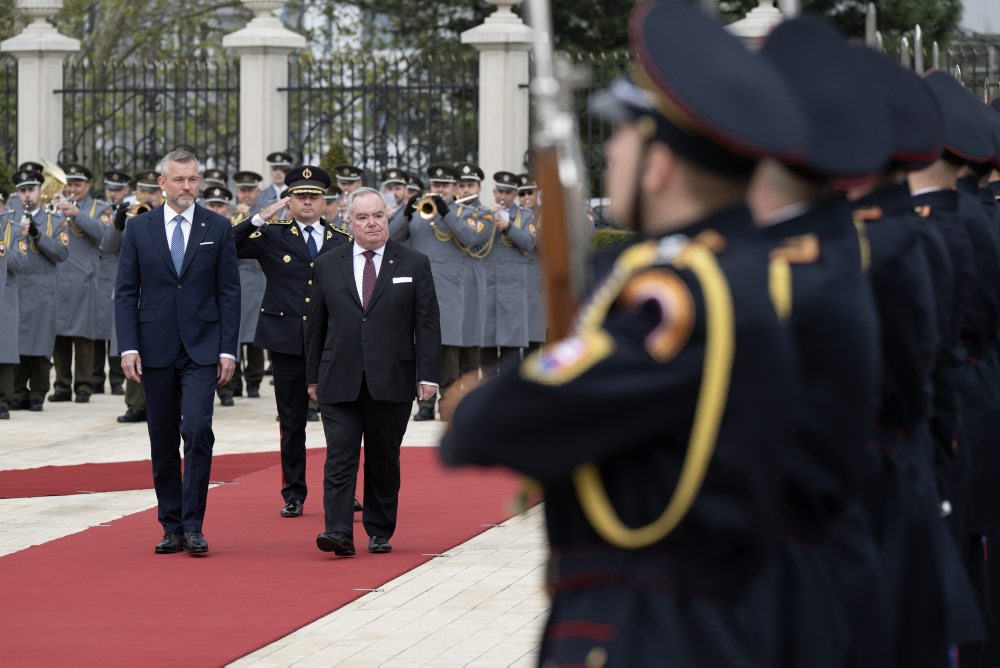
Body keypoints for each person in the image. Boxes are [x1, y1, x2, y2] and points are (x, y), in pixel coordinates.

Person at [442, 2, 806, 663]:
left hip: (656, 625)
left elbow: (483, 426)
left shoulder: (679, 294)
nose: (608, 154)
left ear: (659, 166)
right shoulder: (744, 266)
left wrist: (484, 391)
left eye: (620, 139)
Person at [114, 150, 240, 555]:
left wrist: (228, 350)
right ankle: (171, 525)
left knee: (198, 429)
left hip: (203, 348)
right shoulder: (139, 228)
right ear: (162, 182)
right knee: (162, 437)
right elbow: (125, 291)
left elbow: (229, 293)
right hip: (155, 346)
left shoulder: (218, 227)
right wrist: (128, 346)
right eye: (180, 180)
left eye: (193, 179)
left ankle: (194, 523)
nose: (187, 187)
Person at [307, 186, 441, 556]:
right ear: (348, 223)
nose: (371, 224)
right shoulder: (327, 263)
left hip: (392, 379)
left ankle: (379, 529)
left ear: (387, 218)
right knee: (340, 457)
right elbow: (315, 326)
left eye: (378, 216)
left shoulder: (413, 263)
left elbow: (427, 323)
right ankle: (337, 532)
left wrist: (428, 375)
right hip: (339, 377)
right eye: (362, 217)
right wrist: (312, 377)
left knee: (383, 458)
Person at [233, 165, 353, 518]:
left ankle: (342, 488)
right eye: (300, 196)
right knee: (292, 420)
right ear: (289, 200)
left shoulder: (341, 239)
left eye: (314, 197)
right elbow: (228, 245)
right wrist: (258, 219)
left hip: (331, 342)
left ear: (325, 202)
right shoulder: (273, 235)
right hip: (286, 339)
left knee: (340, 420)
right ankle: (294, 492)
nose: (307, 203)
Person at [390, 164, 492, 421]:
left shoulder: (464, 213)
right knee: (421, 347)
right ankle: (424, 404)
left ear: (456, 188)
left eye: (445, 186)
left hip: (450, 289)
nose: (440, 190)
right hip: (419, 288)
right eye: (436, 185)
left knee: (447, 349)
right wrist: (406, 212)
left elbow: (470, 238)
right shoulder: (417, 213)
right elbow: (390, 237)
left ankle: (448, 402)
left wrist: (446, 212)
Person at [50, 163, 110, 404]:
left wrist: (77, 214)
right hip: (59, 277)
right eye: (70, 185)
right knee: (59, 334)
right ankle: (61, 385)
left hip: (84, 278)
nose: (73, 189)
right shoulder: (56, 206)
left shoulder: (99, 207)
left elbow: (104, 234)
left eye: (78, 185)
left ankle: (84, 385)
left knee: (84, 334)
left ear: (88, 186)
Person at [12, 168, 69, 411]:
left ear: (39, 191)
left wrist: (37, 235)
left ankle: (38, 393)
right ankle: (16, 392)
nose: (27, 195)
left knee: (40, 346)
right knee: (17, 345)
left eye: (31, 190)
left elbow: (61, 253)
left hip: (43, 291)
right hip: (18, 290)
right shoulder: (11, 220)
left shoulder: (54, 221)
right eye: (22, 191)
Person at [480, 170, 530, 376]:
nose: (503, 197)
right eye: (500, 191)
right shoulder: (483, 213)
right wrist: (486, 221)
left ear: (516, 194)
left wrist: (509, 227)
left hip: (512, 294)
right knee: (486, 352)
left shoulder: (526, 216)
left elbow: (529, 243)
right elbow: (472, 243)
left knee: (511, 355)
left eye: (508, 193)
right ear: (493, 191)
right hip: (488, 292)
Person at [92, 169, 131, 395]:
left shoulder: (134, 210)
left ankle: (117, 378)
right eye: (109, 189)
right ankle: (96, 377)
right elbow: (103, 242)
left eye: (117, 190)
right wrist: (115, 224)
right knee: (99, 327)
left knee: (118, 329)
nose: (112, 194)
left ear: (126, 190)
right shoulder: (98, 210)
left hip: (121, 271)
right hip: (102, 273)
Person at [517, 173, 545, 353]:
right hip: (515, 280)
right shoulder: (511, 214)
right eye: (522, 194)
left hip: (536, 280)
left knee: (535, 337)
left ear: (537, 194)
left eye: (530, 193)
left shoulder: (544, 215)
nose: (526, 197)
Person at [254, 151, 293, 218]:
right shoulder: (261, 195)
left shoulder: (295, 193)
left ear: (288, 171)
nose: (278, 172)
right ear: (270, 171)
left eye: (282, 169)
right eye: (275, 169)